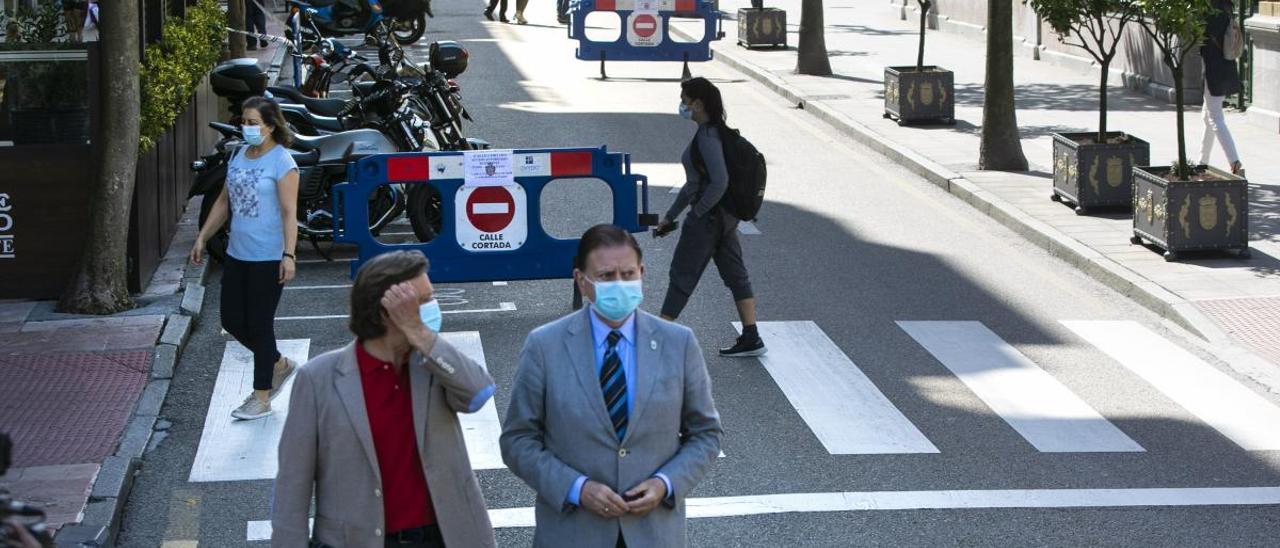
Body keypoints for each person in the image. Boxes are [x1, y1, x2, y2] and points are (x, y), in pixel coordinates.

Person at [501, 224, 723, 548]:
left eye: (628, 273)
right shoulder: (544, 345)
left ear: (642, 272)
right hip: (573, 532)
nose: (619, 284)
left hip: (654, 533)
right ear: (582, 280)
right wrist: (577, 488)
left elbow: (706, 434)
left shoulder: (679, 343)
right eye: (606, 276)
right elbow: (518, 441)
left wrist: (665, 484)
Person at [272, 250, 498, 548]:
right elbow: (292, 486)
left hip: (439, 537)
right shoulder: (318, 380)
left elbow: (478, 393)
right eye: (423, 301)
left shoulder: (433, 364)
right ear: (386, 311)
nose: (433, 307)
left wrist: (419, 332)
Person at [190, 97, 300, 421]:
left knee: (260, 324)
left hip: (269, 256)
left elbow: (289, 212)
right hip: (238, 253)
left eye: (254, 123)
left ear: (271, 125)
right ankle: (278, 363)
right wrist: (203, 236)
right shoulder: (239, 155)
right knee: (232, 321)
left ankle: (262, 396)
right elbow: (224, 201)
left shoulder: (283, 162)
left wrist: (289, 255)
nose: (247, 128)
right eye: (245, 122)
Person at [655, 77, 766, 357]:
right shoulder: (717, 132)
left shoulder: (707, 137)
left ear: (698, 104)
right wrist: (670, 215)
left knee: (682, 273)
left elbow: (719, 182)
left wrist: (698, 212)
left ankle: (658, 339)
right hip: (725, 219)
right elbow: (694, 183)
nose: (682, 105)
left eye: (685, 100)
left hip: (710, 219)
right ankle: (751, 335)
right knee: (735, 274)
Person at [1199, 0, 1244, 176]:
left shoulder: (1211, 10)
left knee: (1215, 118)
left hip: (1214, 70)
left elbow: (1203, 36)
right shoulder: (1226, 7)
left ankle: (1234, 161)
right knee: (1207, 115)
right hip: (1223, 67)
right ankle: (1202, 161)